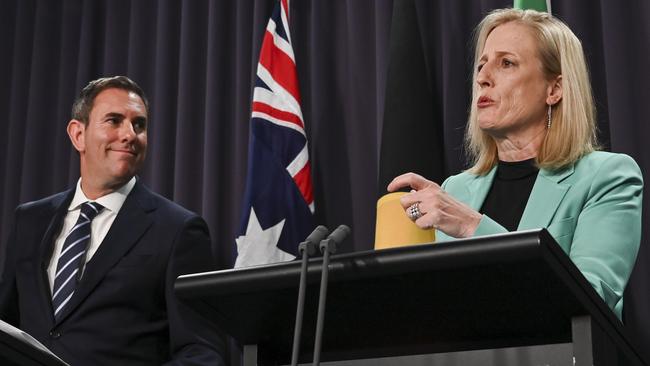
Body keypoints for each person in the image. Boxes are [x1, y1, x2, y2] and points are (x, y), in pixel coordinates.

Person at [387, 8, 643, 320]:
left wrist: (472, 226)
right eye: (481, 66)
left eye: (506, 63)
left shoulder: (607, 177)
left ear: (554, 89)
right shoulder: (457, 191)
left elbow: (591, 299)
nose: (482, 78)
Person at [0, 76, 226, 365]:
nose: (130, 134)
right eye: (114, 120)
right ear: (78, 134)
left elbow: (201, 351)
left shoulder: (178, 230)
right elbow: (6, 327)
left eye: (139, 125)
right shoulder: (30, 220)